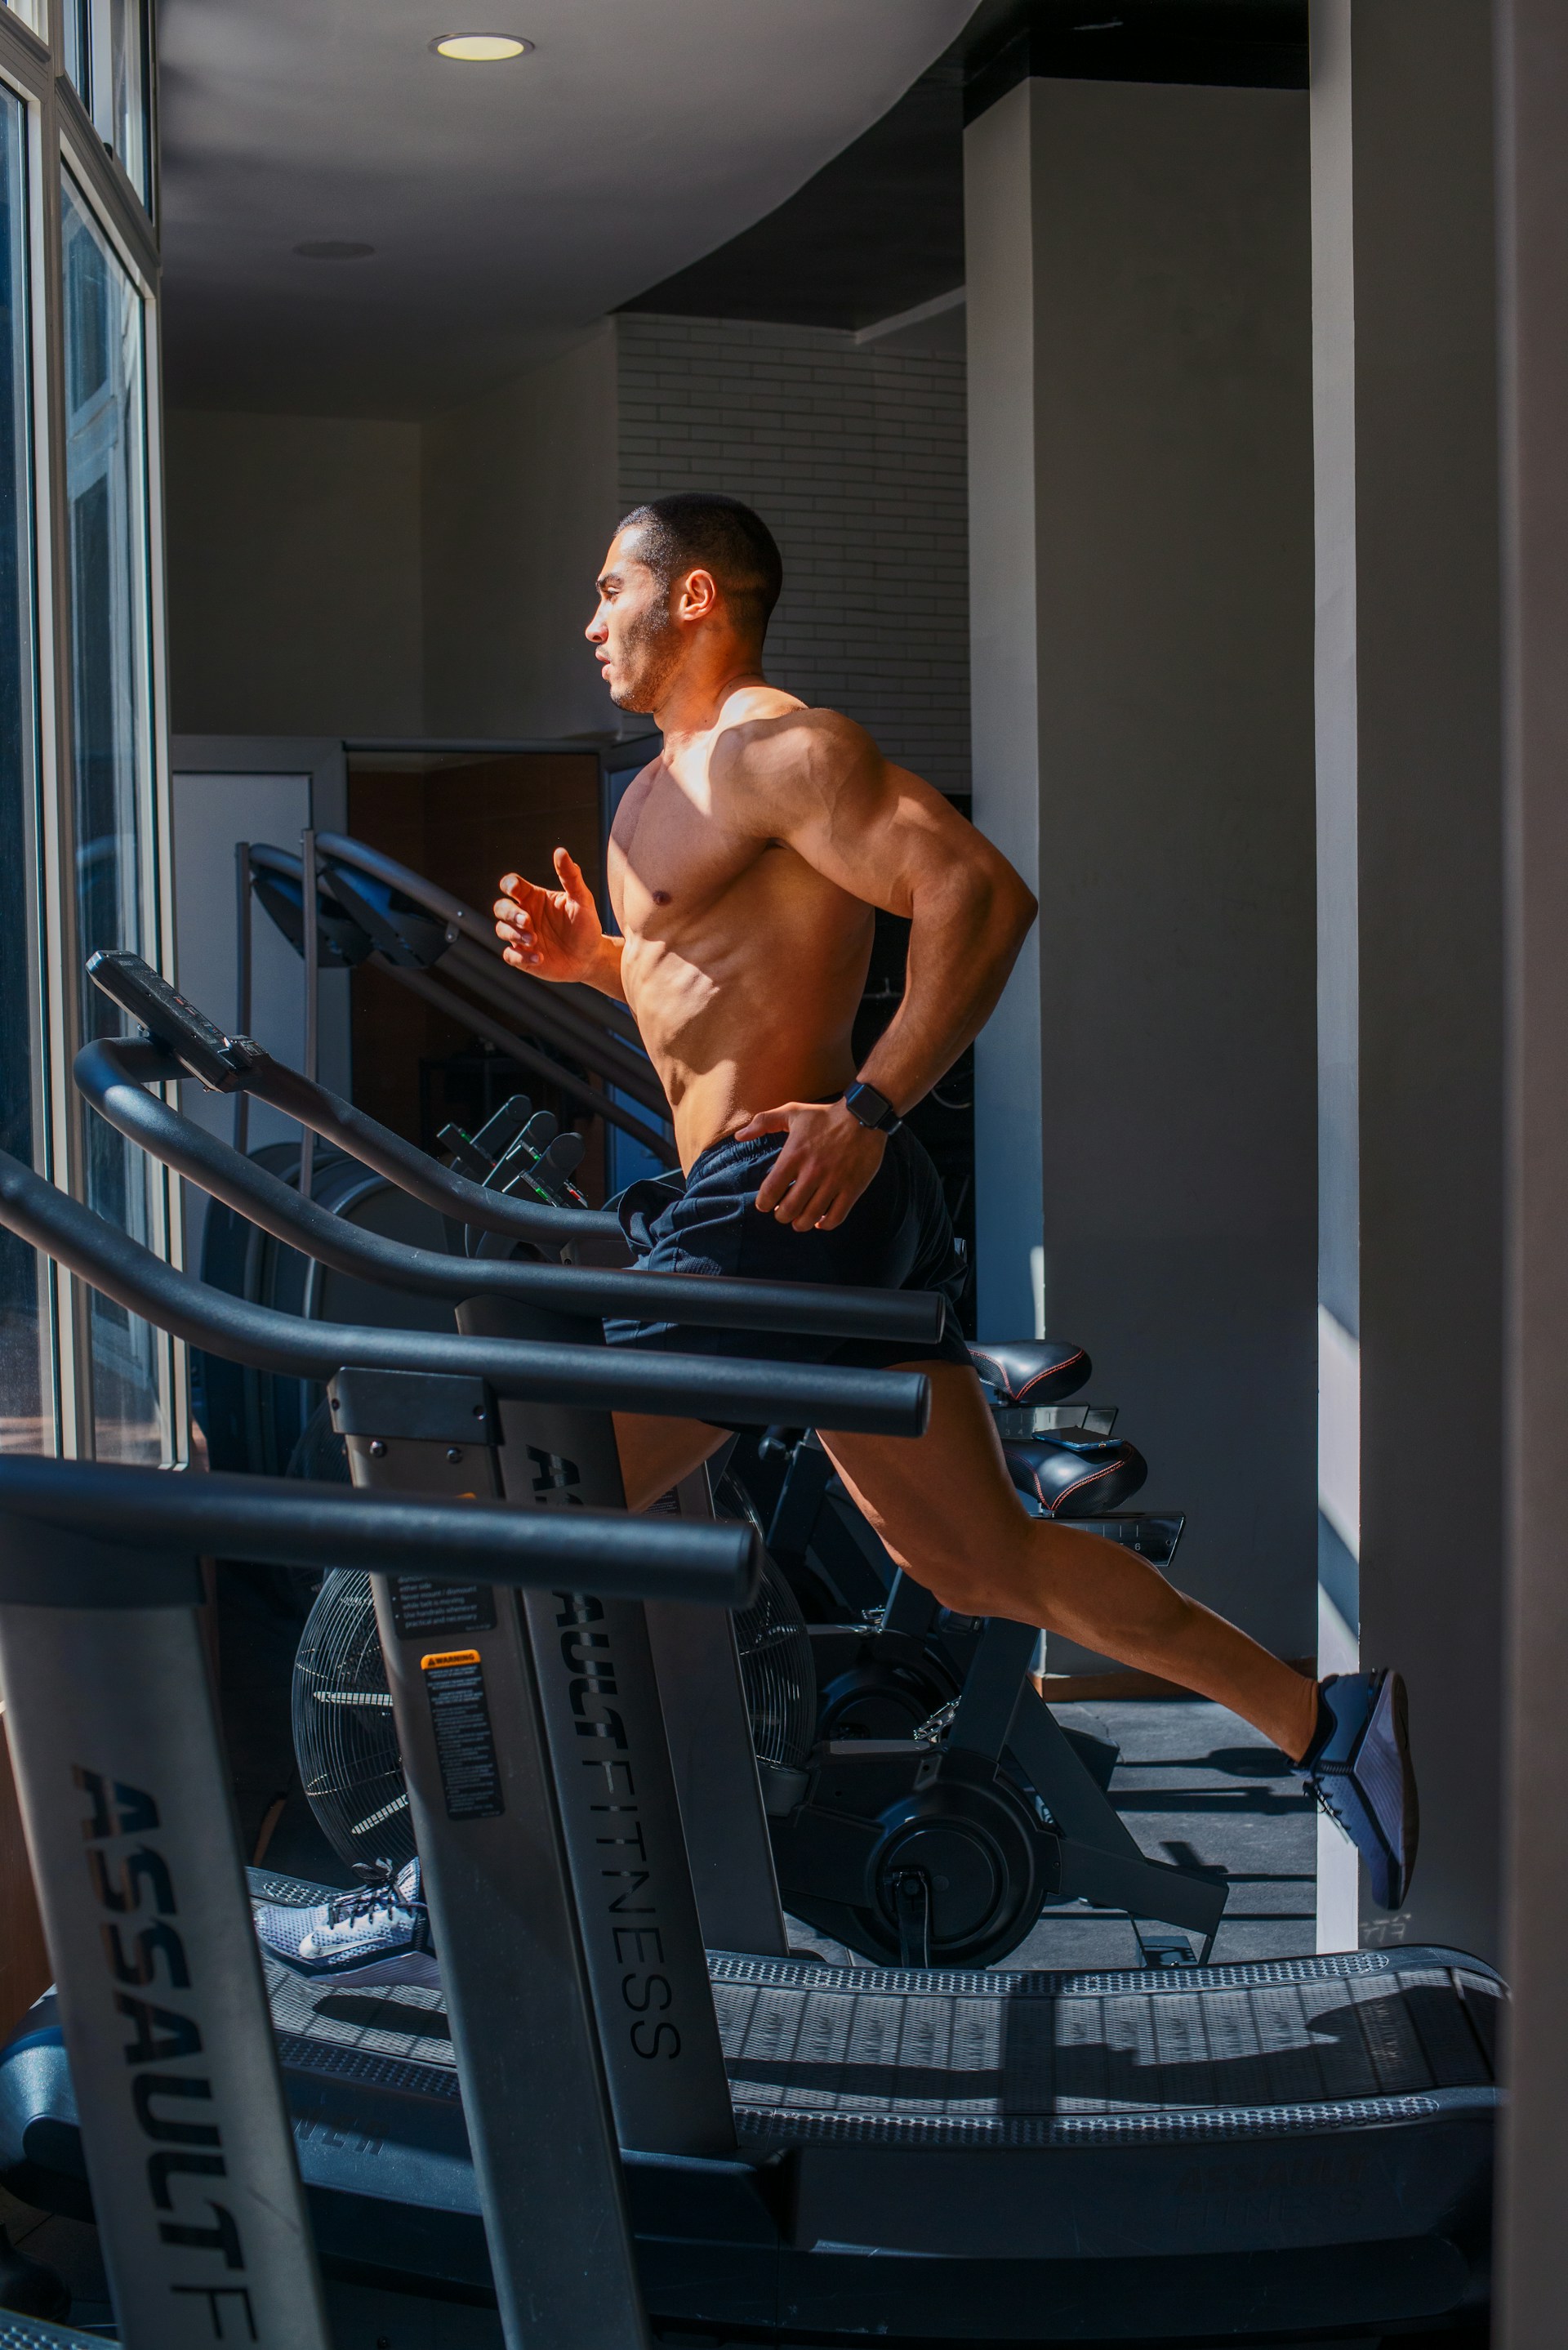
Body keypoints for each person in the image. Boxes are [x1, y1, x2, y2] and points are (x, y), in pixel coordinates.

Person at [492, 491, 1417, 1914]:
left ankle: (479, 1879)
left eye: (612, 587)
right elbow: (714, 988)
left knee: (538, 1489)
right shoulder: (655, 790)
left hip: (784, 1197)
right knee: (980, 1561)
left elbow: (975, 891)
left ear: (695, 597)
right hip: (792, 1213)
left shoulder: (777, 749)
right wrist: (599, 963)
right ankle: (1326, 1722)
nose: (590, 620)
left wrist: (870, 1109)